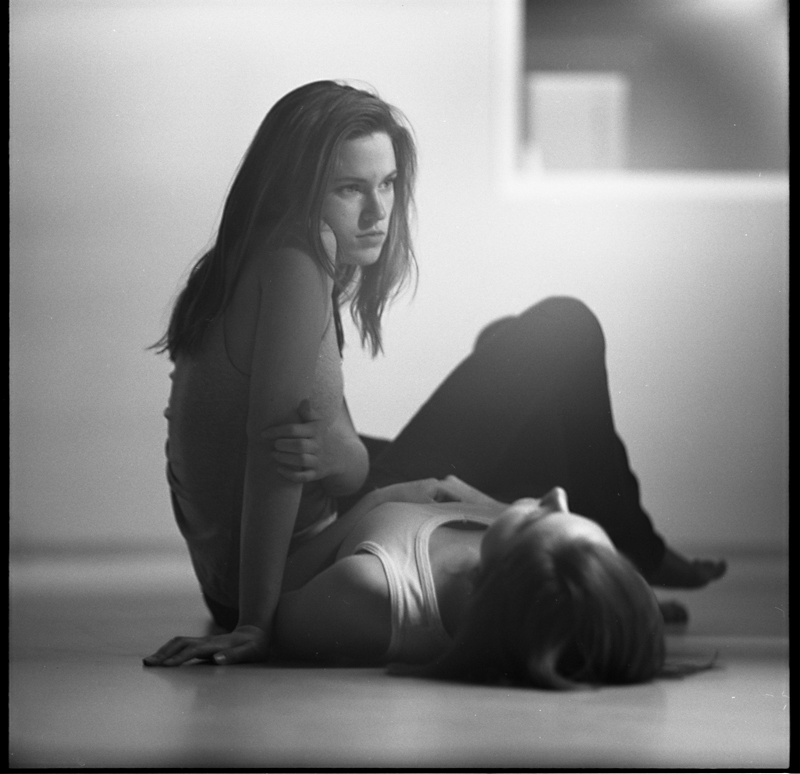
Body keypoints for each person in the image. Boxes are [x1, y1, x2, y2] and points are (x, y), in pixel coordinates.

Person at [144, 79, 725, 671]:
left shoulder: (251, 260)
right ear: (294, 190)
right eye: (350, 188)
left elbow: (328, 457)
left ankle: (601, 568)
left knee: (507, 344)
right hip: (275, 578)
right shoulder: (297, 260)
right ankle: (615, 561)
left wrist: (348, 460)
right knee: (562, 328)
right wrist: (254, 621)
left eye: (388, 183)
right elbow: (275, 457)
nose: (377, 213)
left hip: (258, 570)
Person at [148, 478, 668, 688]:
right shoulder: (514, 555)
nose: (557, 493)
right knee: (526, 334)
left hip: (292, 532)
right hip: (396, 493)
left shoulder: (375, 593)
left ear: (497, 583)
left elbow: (260, 605)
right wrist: (610, 607)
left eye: (540, 518)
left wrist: (377, 499)